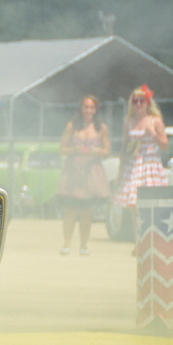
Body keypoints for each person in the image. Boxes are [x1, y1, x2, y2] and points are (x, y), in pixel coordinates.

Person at [112, 84, 168, 251]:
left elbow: (165, 145)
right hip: (133, 165)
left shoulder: (155, 121)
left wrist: (153, 133)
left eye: (141, 101)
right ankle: (139, 241)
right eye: (135, 101)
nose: (138, 104)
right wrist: (120, 171)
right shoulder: (129, 122)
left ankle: (153, 241)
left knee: (151, 205)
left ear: (148, 103)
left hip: (150, 164)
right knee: (133, 206)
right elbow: (124, 146)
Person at [55, 95, 111, 255]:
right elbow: (62, 149)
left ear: (96, 109)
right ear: (81, 108)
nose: (88, 110)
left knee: (87, 210)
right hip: (73, 171)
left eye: (92, 107)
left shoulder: (102, 128)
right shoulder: (72, 126)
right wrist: (75, 150)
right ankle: (66, 244)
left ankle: (84, 245)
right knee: (70, 209)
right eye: (86, 107)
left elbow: (107, 151)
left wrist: (97, 151)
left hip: (92, 172)